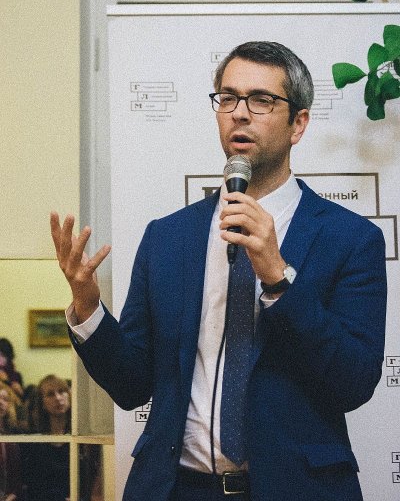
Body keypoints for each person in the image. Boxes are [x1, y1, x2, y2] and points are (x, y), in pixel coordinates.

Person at [50, 41, 387, 501]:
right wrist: (88, 307)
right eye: (227, 98)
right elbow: (131, 385)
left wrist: (279, 279)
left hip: (297, 489)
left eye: (261, 100)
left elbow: (353, 383)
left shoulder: (350, 239)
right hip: (179, 489)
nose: (239, 113)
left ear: (299, 124)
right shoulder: (168, 237)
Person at [21, 375, 71, 501]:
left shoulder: (82, 438)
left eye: (61, 391)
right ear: (42, 403)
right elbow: (31, 484)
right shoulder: (33, 440)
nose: (58, 398)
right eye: (50, 394)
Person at [0, 382, 24, 501]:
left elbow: (18, 475)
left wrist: (12, 495)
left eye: (5, 399)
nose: (0, 402)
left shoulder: (15, 435)